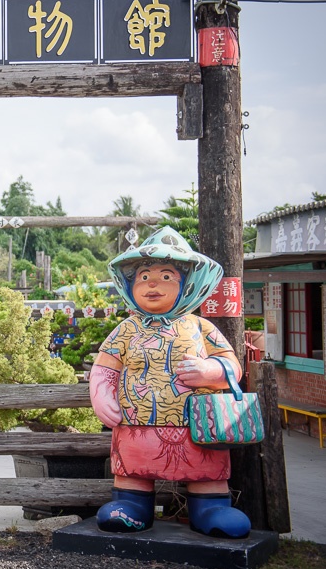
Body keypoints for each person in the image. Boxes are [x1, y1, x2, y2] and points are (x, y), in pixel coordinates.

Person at [89, 226, 251, 538]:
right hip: (136, 425)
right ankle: (131, 505)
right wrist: (101, 394)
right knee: (133, 471)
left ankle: (211, 507)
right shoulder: (126, 329)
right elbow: (105, 366)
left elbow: (232, 365)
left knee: (205, 470)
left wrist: (209, 372)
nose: (152, 284)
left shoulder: (200, 326)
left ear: (186, 285)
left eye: (166, 276)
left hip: (197, 424)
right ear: (129, 285)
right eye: (143, 276)